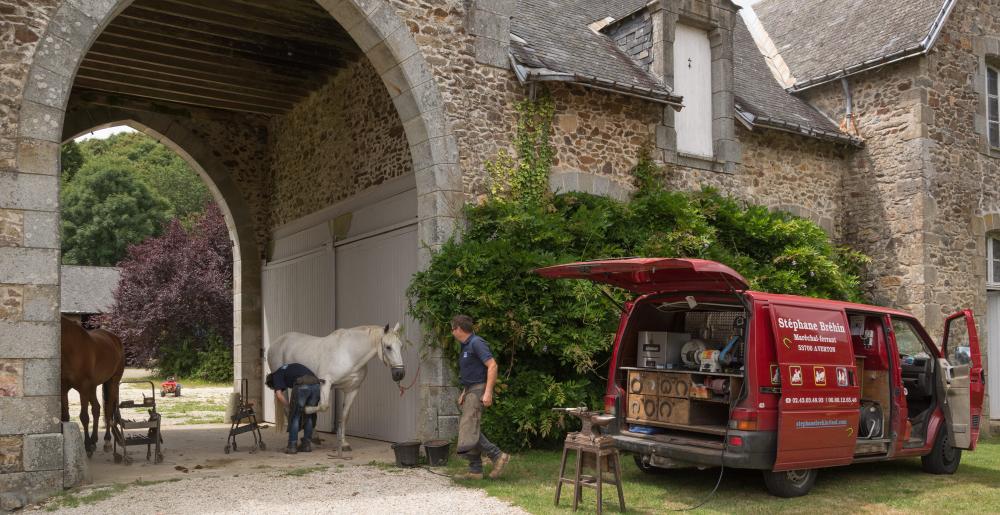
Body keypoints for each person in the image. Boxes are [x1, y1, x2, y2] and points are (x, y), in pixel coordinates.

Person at [451, 314, 511, 479]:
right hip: (470, 389)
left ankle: (497, 455)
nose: (452, 332)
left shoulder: (477, 343)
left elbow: (492, 365)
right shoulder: (465, 345)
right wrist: (464, 392)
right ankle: (475, 470)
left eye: (452, 328)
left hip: (478, 390)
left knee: (469, 428)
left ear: (458, 329)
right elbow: (472, 371)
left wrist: (488, 392)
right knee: (470, 428)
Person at [265, 363, 321, 454]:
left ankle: (292, 446)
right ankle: (306, 445)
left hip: (302, 384)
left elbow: (279, 395)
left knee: (295, 415)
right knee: (309, 415)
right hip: (316, 384)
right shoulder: (285, 369)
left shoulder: (276, 376)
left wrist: (289, 406)